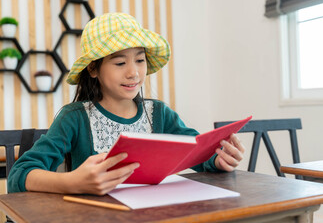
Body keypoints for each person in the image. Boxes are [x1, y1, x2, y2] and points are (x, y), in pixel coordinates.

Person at [8, 12, 245, 195]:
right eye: (120, 63)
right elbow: (19, 175)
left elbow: (198, 152)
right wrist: (73, 182)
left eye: (140, 60)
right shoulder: (75, 118)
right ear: (93, 68)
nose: (134, 73)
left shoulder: (160, 114)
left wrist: (219, 158)